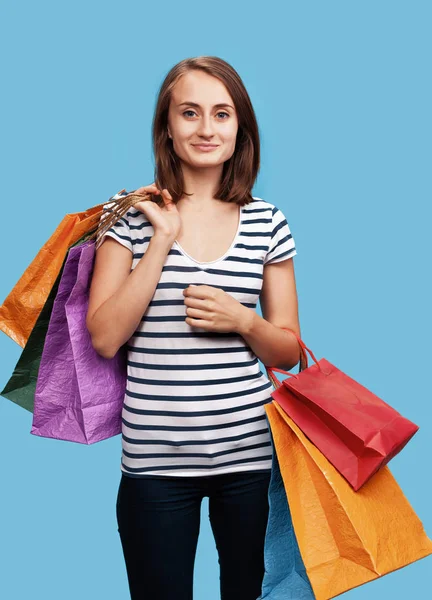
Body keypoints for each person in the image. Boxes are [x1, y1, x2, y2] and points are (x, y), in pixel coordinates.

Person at [86, 55, 302, 600]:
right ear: (167, 127)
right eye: (189, 113)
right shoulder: (126, 216)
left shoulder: (266, 221)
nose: (206, 128)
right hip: (154, 463)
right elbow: (105, 337)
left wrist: (242, 320)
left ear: (240, 128)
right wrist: (160, 238)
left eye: (222, 114)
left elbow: (289, 351)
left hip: (250, 458)